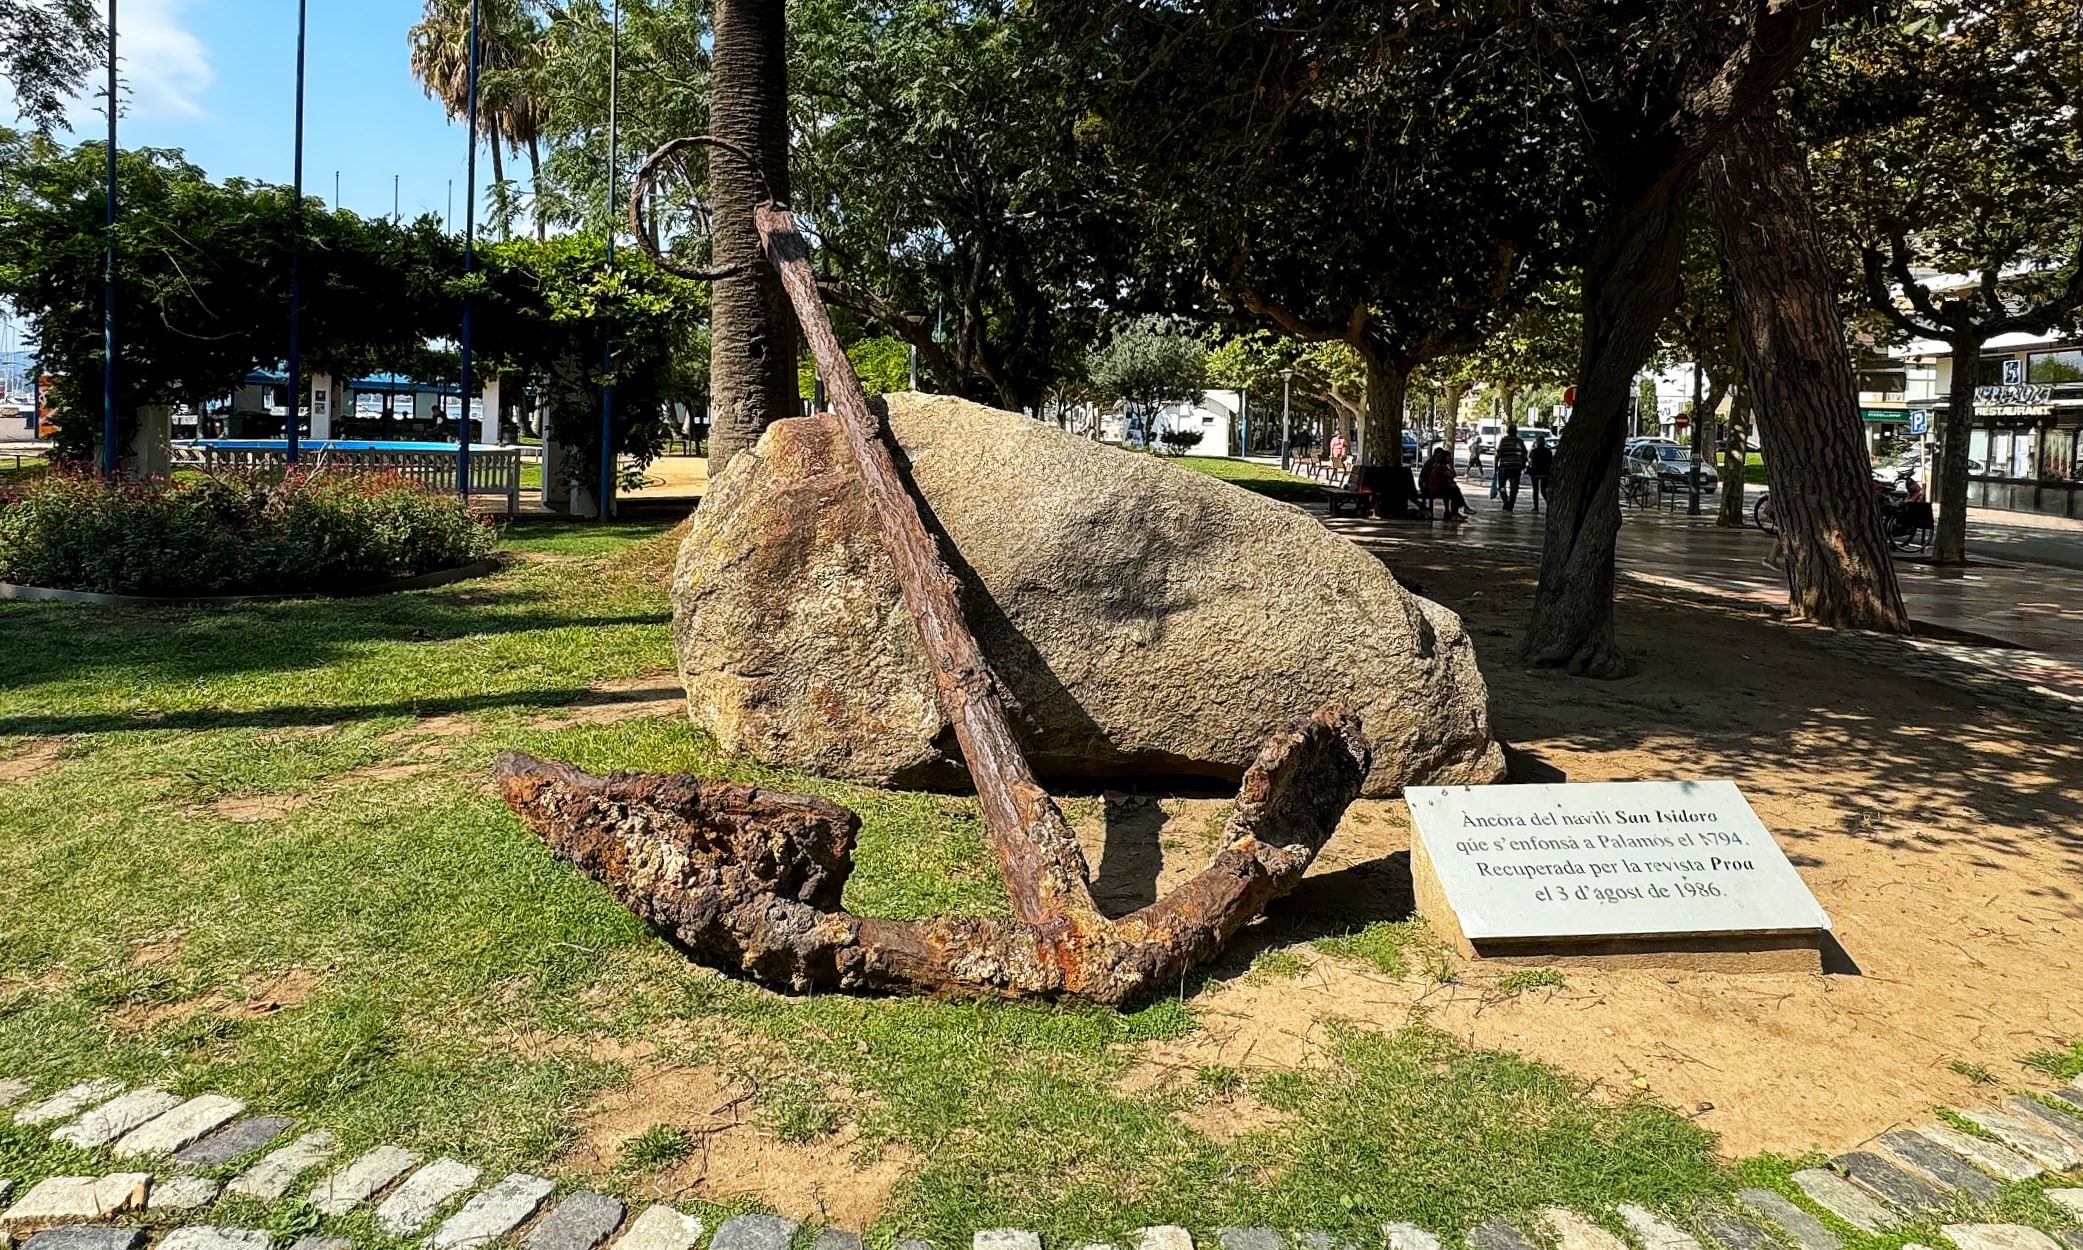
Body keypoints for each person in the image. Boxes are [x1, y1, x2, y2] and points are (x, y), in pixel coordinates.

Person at [1423, 447, 1471, 519]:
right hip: (1437, 490)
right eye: (1449, 457)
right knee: (1455, 492)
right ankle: (1457, 511)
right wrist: (1451, 467)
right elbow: (1452, 475)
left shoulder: (1439, 466)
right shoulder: (1441, 467)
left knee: (1455, 489)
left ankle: (1460, 509)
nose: (1450, 458)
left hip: (1438, 488)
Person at [1494, 424, 1527, 512]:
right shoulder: (1519, 441)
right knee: (1514, 486)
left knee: (1501, 486)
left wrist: (1496, 465)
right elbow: (1524, 453)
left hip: (1504, 466)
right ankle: (1511, 504)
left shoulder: (1504, 440)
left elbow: (1499, 453)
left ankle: (1505, 500)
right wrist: (1523, 463)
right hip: (1516, 467)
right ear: (1516, 431)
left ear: (1508, 431)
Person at [1526, 432, 1554, 514]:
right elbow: (1550, 462)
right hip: (1545, 473)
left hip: (1535, 473)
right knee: (1543, 490)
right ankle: (1549, 504)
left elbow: (1530, 461)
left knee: (1535, 490)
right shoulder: (1548, 451)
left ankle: (1536, 507)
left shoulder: (1534, 451)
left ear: (1536, 442)